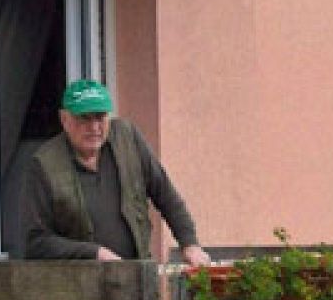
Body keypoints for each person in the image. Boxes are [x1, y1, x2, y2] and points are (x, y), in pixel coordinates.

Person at [20, 79, 211, 266]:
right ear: (64, 119)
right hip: (79, 287)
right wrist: (94, 253)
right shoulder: (44, 164)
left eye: (100, 117)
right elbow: (37, 242)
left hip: (136, 277)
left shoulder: (128, 139)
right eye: (84, 118)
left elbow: (166, 195)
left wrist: (189, 244)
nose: (94, 127)